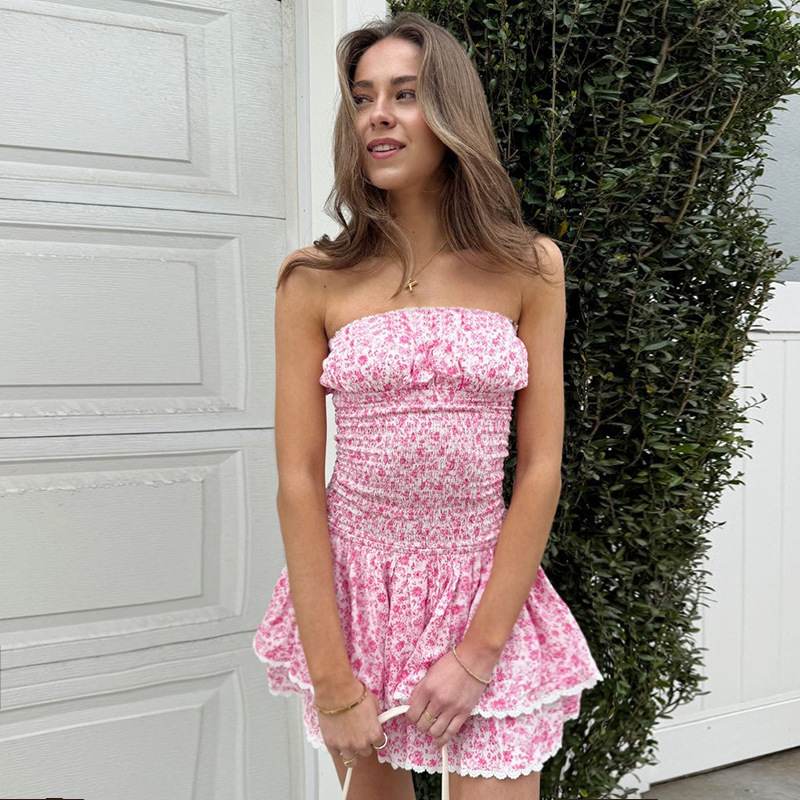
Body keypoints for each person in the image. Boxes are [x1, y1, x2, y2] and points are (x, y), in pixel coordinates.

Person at [252, 11, 603, 799]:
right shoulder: (312, 279)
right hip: (357, 599)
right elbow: (298, 482)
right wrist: (331, 676)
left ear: (450, 112)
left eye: (404, 94)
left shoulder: (529, 267)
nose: (377, 114)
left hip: (488, 594)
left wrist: (478, 654)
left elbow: (540, 469)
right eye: (362, 97)